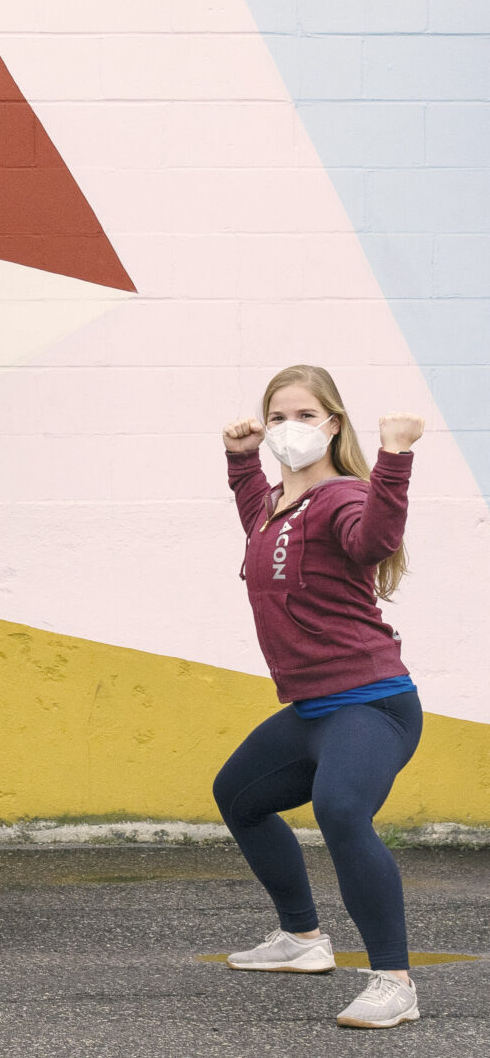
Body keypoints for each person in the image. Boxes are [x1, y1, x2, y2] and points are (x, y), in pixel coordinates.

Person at [213, 366, 427, 1030]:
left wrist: (395, 458)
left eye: (304, 415)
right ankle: (303, 938)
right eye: (277, 415)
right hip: (313, 712)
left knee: (340, 808)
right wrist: (240, 456)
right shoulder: (276, 505)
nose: (288, 428)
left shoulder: (341, 498)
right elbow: (253, 513)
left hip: (372, 703)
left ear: (333, 424)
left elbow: (376, 539)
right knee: (239, 796)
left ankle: (394, 980)